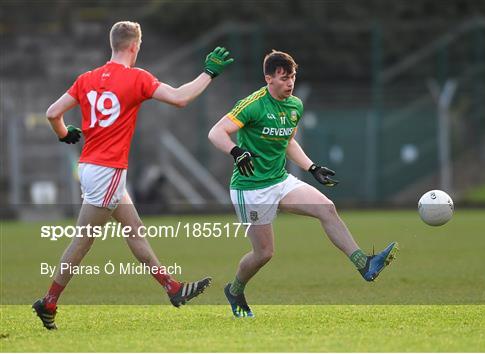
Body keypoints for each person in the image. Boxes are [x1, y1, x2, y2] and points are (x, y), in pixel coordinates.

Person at [33, 21, 234, 330]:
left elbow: (51, 112)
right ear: (134, 46)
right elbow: (180, 97)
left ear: (112, 44)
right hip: (109, 170)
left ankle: (173, 288)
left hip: (90, 167)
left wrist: (64, 134)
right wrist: (209, 73)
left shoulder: (86, 78)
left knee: (134, 229)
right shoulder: (137, 77)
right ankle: (48, 301)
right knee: (83, 240)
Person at [208, 50, 398, 318]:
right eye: (284, 78)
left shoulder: (295, 105)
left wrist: (312, 167)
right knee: (264, 253)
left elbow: (288, 141)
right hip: (250, 188)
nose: (290, 83)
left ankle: (364, 263)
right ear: (268, 79)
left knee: (326, 207)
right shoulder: (253, 104)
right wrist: (236, 152)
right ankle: (235, 289)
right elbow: (216, 132)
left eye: (293, 77)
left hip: (279, 180)